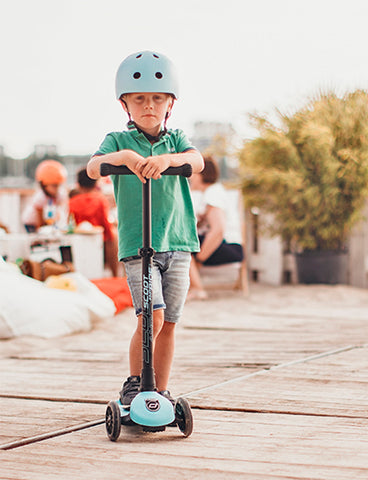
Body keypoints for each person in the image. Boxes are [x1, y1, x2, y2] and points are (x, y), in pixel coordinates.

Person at [86, 50, 204, 406]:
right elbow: (93, 169)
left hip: (178, 241)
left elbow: (197, 161)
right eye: (139, 99)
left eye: (157, 98)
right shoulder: (118, 141)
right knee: (149, 316)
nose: (148, 106)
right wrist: (123, 159)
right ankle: (137, 384)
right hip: (139, 244)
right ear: (126, 105)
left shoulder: (177, 139)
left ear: (170, 103)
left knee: (169, 320)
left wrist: (168, 160)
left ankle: (161, 391)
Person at [188, 155, 244, 300]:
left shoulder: (214, 193)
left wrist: (199, 259)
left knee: (181, 246)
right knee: (183, 244)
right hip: (224, 245)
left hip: (229, 246)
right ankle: (194, 287)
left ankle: (197, 289)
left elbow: (218, 230)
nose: (189, 177)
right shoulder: (210, 193)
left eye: (193, 173)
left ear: (202, 174)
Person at [69, 168, 119, 277]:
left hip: (79, 240)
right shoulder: (100, 200)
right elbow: (106, 224)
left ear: (79, 184)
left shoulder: (72, 202)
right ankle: (115, 275)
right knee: (113, 236)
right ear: (96, 182)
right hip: (100, 239)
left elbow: (69, 223)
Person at [22, 159, 68, 232]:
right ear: (44, 185)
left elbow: (59, 211)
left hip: (46, 221)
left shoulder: (60, 194)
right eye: (54, 186)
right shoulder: (40, 197)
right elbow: (40, 218)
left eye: (58, 186)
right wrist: (42, 229)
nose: (57, 189)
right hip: (32, 223)